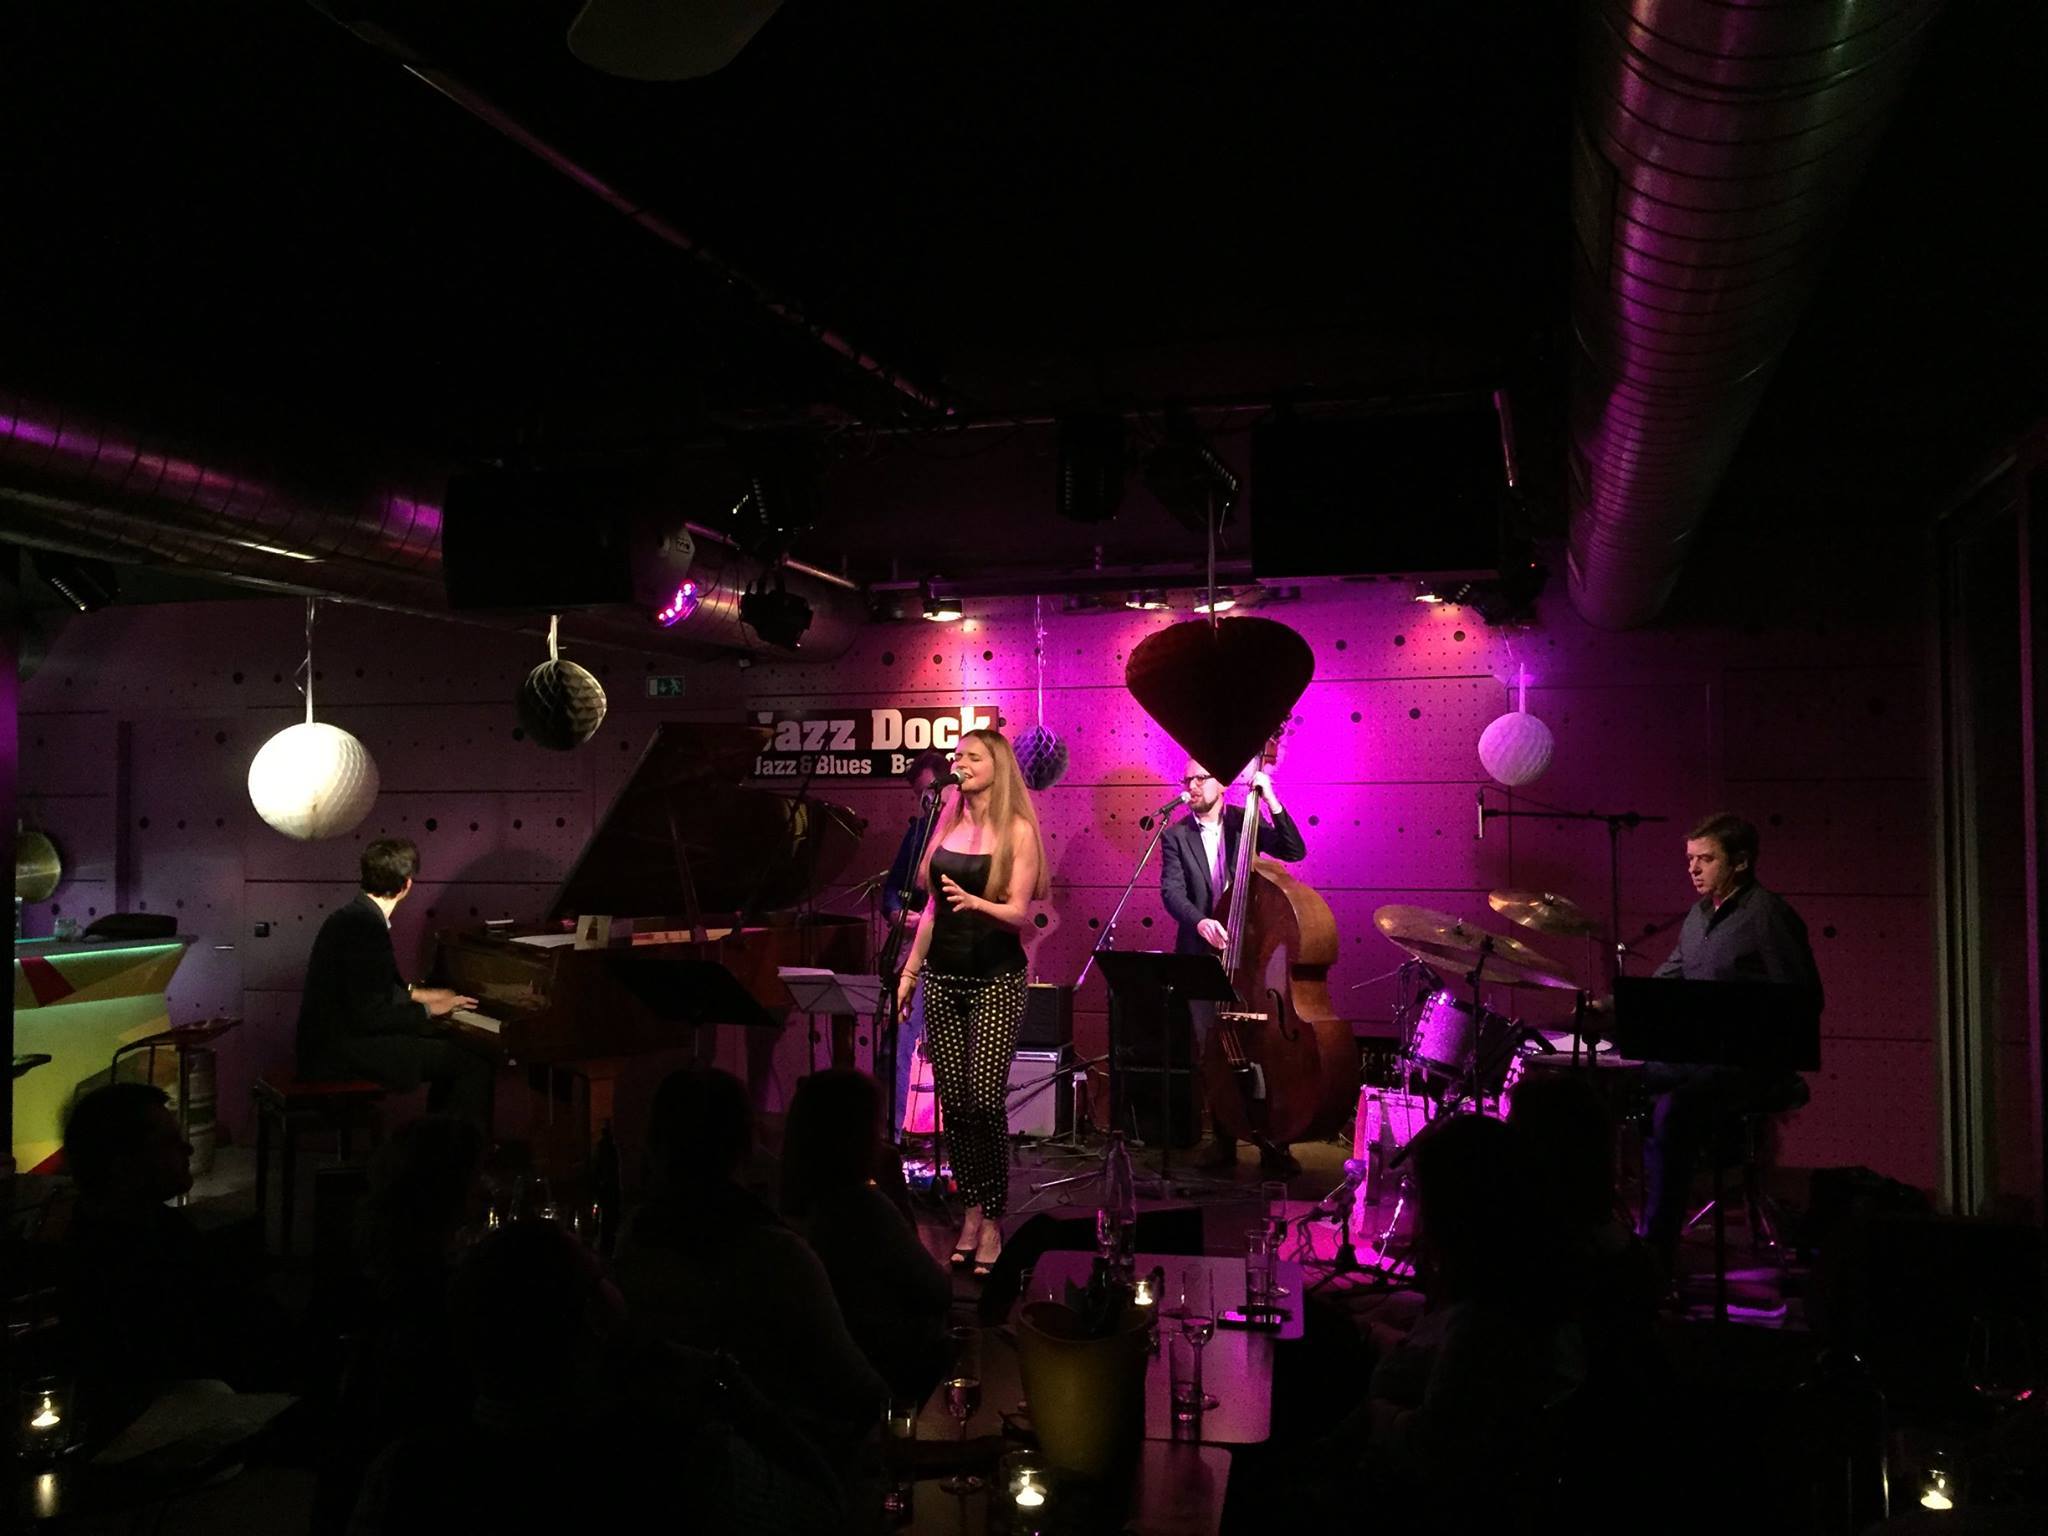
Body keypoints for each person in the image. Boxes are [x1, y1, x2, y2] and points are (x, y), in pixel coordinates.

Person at [613, 1067, 886, 1468]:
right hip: (782, 1463)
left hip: (659, 1462)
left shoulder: (632, 1239)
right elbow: (858, 1387)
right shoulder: (777, 1254)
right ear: (746, 1144)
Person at [894, 727, 1048, 1277]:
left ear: (996, 767)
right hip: (943, 977)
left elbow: (1019, 913)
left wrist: (977, 902)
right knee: (955, 1104)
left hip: (995, 980)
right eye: (958, 755)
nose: (961, 762)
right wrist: (909, 972)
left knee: (983, 1100)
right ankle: (972, 1210)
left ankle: (994, 1216)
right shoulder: (948, 823)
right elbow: (933, 912)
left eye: (973, 756)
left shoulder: (1017, 830)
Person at [1643, 812, 1822, 1269]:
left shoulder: (1767, 914)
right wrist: (1608, 1007)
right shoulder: (1698, 916)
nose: (1693, 868)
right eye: (1690, 859)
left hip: (1755, 1062)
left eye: (1705, 859)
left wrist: (1753, 1028)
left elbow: (1803, 999)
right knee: (1625, 1079)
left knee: (1675, 1107)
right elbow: (1669, 979)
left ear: (1740, 862)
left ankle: (1657, 1249)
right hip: (1706, 1056)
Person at [56, 1083, 280, 1415]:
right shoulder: (118, 1264)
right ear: (123, 1164)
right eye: (169, 1142)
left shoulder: (150, 1228)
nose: (188, 1148)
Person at [1159, 756, 1308, 1173]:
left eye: (1199, 779)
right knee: (1212, 1050)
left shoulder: (1246, 822)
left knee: (1262, 1048)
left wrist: (1271, 798)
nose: (1191, 786)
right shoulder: (1175, 836)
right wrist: (1200, 921)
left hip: (1251, 957)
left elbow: (1294, 850)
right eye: (1186, 780)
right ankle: (1223, 1139)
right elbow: (1172, 893)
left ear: (1222, 783)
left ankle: (1272, 1141)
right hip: (1201, 957)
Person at [295, 837, 493, 1127]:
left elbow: (374, 989)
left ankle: (442, 1142)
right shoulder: (365, 928)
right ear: (406, 885)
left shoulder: (352, 917)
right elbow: (370, 1015)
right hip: (340, 1053)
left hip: (333, 1043)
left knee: (451, 1049)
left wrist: (426, 996)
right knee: (472, 1060)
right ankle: (457, 1149)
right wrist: (429, 1010)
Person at [782, 1069, 951, 1399]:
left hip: (826, 1377)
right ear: (857, 1138)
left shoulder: (791, 1203)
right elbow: (936, 1290)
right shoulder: (863, 1208)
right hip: (891, 1372)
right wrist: (895, 1191)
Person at [881, 749, 953, 1136]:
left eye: (930, 791)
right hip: (917, 955)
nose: (926, 801)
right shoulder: (918, 831)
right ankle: (889, 1136)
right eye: (920, 795)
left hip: (954, 954)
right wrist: (896, 913)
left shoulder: (969, 831)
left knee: (953, 1052)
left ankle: (960, 1140)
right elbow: (892, 886)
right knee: (896, 1041)